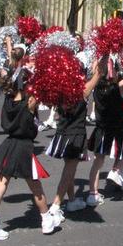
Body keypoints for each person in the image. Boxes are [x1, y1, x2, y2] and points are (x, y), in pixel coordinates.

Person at [0, 83, 57, 241]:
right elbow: (34, 127)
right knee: (36, 187)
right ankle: (46, 219)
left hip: (8, 146)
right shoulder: (29, 103)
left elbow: (5, 123)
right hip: (24, 148)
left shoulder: (7, 101)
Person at [46, 63, 100, 220]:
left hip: (62, 133)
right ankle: (55, 206)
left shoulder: (59, 91)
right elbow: (99, 74)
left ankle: (72, 200)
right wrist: (105, 52)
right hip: (75, 135)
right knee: (69, 170)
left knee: (68, 169)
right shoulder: (83, 91)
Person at [87, 55, 123, 201]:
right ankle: (115, 171)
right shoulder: (119, 87)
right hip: (115, 129)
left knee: (98, 162)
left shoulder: (96, 87)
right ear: (114, 71)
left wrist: (103, 57)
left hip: (100, 129)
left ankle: (93, 194)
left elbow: (95, 71)